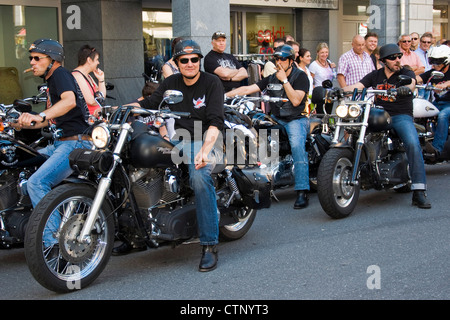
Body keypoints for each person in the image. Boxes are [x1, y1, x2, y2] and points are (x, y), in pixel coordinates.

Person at [138, 39, 224, 271]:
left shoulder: (212, 82)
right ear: (176, 62)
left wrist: (205, 151)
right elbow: (149, 103)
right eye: (184, 60)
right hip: (181, 138)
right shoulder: (171, 82)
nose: (189, 64)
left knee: (198, 175)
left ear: (199, 61)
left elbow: (216, 121)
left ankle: (209, 244)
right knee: (144, 163)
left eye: (194, 59)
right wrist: (121, 111)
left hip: (208, 137)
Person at [343, 43, 431, 209]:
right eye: (393, 57)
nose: (397, 59)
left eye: (399, 56)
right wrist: (338, 90)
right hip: (379, 114)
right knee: (352, 129)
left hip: (400, 116)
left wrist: (406, 89)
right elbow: (358, 86)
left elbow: (411, 83)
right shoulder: (375, 75)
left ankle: (419, 190)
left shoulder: (405, 72)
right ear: (384, 61)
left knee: (412, 144)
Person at [226, 45, 311, 209]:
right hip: (276, 118)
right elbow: (249, 88)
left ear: (291, 61)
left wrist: (284, 81)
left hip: (295, 119)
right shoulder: (271, 78)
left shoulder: (301, 77)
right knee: (256, 136)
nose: (279, 62)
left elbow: (295, 101)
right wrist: (223, 95)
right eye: (276, 59)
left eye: (283, 59)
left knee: (297, 147)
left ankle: (302, 191)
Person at [417, 45, 450, 158]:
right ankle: (419, 144)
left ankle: (437, 148)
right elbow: (419, 78)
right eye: (433, 62)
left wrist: (447, 84)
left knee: (443, 116)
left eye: (438, 62)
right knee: (419, 112)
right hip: (437, 103)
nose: (434, 65)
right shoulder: (433, 73)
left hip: (448, 104)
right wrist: (407, 80)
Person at [72, 44, 106, 115]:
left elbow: (101, 97)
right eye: (97, 59)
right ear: (89, 60)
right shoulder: (77, 75)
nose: (98, 62)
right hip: (88, 120)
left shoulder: (88, 76)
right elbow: (91, 101)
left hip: (97, 116)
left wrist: (101, 80)